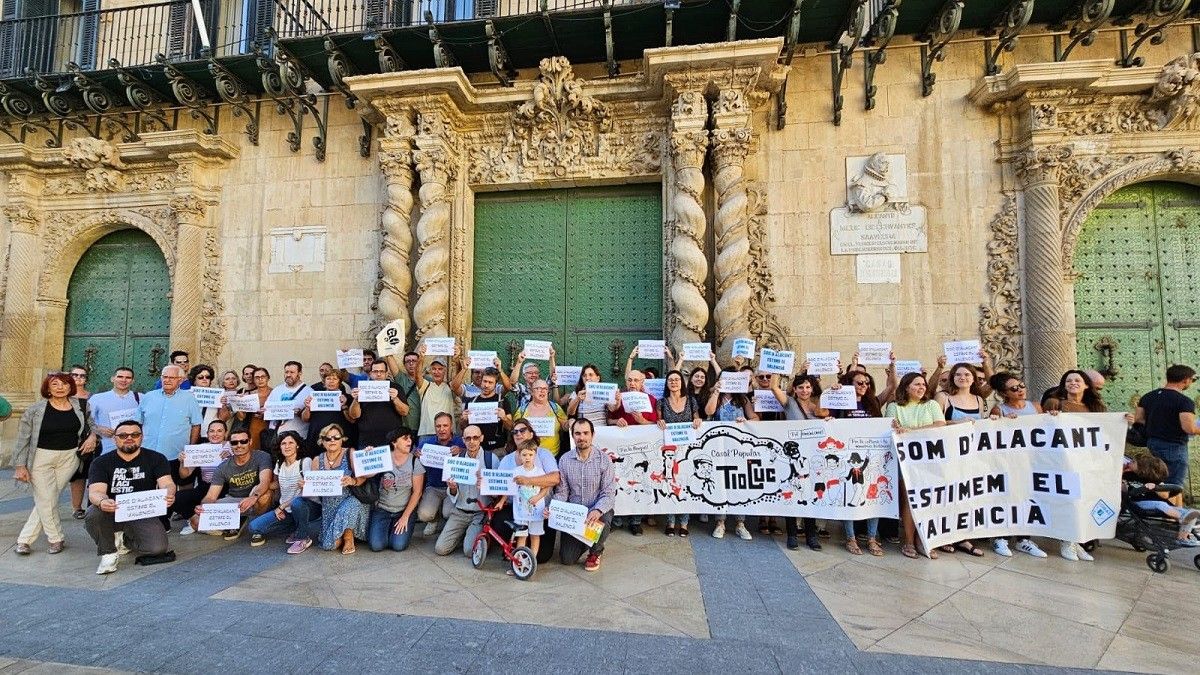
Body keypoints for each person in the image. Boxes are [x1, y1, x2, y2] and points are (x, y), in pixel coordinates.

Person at [13, 372, 95, 555]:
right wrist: (20, 465)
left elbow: (92, 425)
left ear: (70, 386)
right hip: (41, 458)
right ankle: (53, 538)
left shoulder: (81, 405)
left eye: (64, 384)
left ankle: (26, 540)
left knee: (48, 498)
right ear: (47, 388)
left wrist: (93, 437)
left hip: (70, 457)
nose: (60, 387)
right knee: (46, 498)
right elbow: (22, 439)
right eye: (55, 384)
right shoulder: (35, 410)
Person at [84, 420, 175, 575]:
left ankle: (125, 540)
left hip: (141, 511)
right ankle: (108, 553)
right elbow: (95, 491)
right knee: (93, 513)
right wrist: (102, 501)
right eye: (123, 435)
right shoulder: (101, 462)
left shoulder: (156, 458)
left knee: (157, 548)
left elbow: (167, 483)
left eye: (135, 434)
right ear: (115, 438)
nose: (129, 438)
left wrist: (169, 493)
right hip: (111, 511)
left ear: (141, 437)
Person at [985, 372, 1048, 559]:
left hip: (1032, 461)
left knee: (1028, 498)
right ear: (1005, 393)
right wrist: (1003, 423)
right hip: (1009, 462)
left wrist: (1052, 416)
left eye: (1021, 385)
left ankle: (1023, 539)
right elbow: (991, 435)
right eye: (1014, 388)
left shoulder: (1036, 406)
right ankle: (1001, 537)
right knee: (1007, 498)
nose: (1020, 390)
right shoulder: (999, 410)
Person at [884, 372, 945, 559]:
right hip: (906, 461)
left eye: (923, 385)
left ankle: (924, 540)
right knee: (909, 501)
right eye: (916, 384)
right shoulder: (894, 407)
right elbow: (893, 428)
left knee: (928, 500)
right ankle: (909, 541)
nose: (921, 388)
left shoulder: (932, 405)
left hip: (931, 459)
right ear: (906, 387)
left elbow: (940, 424)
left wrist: (912, 431)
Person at [138, 364, 202, 531]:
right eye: (164, 377)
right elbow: (138, 422)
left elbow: (196, 425)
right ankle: (145, 520)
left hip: (173, 454)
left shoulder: (189, 399)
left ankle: (163, 521)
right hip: (148, 452)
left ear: (180, 380)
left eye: (171, 377)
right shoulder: (148, 397)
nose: (167, 380)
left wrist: (190, 448)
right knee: (147, 487)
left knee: (168, 491)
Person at [831, 371, 885, 556]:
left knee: (872, 495)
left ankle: (871, 538)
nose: (863, 386)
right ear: (849, 384)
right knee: (849, 495)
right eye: (859, 382)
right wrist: (834, 392)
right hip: (848, 457)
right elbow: (823, 413)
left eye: (867, 383)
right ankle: (850, 537)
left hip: (870, 455)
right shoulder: (839, 402)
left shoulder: (872, 403)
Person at [770, 373, 826, 549]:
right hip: (792, 459)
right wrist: (777, 368)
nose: (804, 390)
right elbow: (773, 387)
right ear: (795, 389)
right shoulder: (789, 403)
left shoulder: (819, 407)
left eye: (808, 387)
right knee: (793, 495)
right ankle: (792, 534)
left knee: (809, 496)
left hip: (812, 459)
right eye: (800, 387)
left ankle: (811, 535)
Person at [494, 419, 561, 564]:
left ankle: (530, 560)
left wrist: (528, 481)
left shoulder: (544, 454)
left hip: (541, 509)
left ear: (531, 433)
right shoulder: (507, 460)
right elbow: (500, 487)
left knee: (542, 555)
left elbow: (555, 478)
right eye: (515, 432)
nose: (518, 434)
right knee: (499, 521)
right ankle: (514, 554)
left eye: (522, 430)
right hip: (517, 508)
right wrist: (486, 484)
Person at [554, 418, 615, 571]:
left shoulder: (604, 460)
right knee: (567, 560)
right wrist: (554, 507)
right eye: (578, 433)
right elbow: (562, 492)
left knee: (606, 516)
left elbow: (608, 493)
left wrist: (597, 510)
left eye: (586, 433)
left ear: (592, 435)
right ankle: (587, 539)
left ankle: (596, 551)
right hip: (575, 515)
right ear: (573, 436)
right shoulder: (564, 460)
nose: (582, 437)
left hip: (595, 512)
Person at [706, 366, 757, 541]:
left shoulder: (742, 399)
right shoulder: (717, 398)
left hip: (738, 448)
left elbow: (755, 418)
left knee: (738, 484)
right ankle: (720, 522)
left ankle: (740, 523)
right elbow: (709, 412)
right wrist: (716, 392)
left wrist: (745, 420)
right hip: (719, 447)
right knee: (721, 484)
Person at [194, 428, 274, 541]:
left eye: (243, 441)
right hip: (234, 501)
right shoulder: (223, 467)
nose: (239, 445)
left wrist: (253, 497)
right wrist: (204, 507)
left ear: (250, 442)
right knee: (195, 520)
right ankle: (235, 522)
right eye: (234, 442)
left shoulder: (262, 456)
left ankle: (255, 525)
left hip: (255, 497)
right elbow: (211, 496)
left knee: (265, 495)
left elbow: (264, 482)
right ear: (230, 444)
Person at [247, 430, 320, 553]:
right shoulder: (279, 464)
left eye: (291, 443)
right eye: (283, 443)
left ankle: (303, 537)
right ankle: (295, 527)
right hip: (286, 510)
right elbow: (277, 484)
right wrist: (258, 490)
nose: (287, 446)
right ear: (279, 447)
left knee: (297, 503)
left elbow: (309, 491)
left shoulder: (305, 462)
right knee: (254, 527)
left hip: (308, 506)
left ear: (297, 445)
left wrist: (282, 506)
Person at [309, 423, 372, 554]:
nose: (332, 440)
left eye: (336, 437)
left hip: (352, 499)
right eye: (328, 438)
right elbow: (314, 487)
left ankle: (349, 537)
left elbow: (364, 477)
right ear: (322, 441)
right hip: (329, 506)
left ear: (342, 439)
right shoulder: (316, 460)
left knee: (350, 507)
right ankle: (343, 534)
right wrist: (307, 485)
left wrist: (353, 480)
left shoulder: (350, 453)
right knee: (329, 545)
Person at [434, 425, 497, 557]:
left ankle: (475, 537)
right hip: (459, 511)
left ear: (482, 438)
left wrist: (486, 485)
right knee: (440, 549)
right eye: (468, 438)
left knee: (469, 551)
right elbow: (452, 494)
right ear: (463, 440)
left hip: (480, 513)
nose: (472, 441)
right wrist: (452, 488)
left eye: (475, 437)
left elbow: (498, 493)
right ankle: (463, 536)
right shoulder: (456, 460)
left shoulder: (491, 459)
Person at [609, 369, 659, 535]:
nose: (632, 383)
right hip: (621, 448)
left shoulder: (651, 400)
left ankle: (636, 521)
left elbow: (656, 425)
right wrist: (618, 420)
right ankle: (617, 519)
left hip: (641, 449)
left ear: (642, 382)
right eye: (630, 380)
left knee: (639, 482)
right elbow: (609, 419)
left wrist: (642, 421)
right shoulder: (619, 398)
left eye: (636, 380)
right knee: (620, 481)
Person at [1136, 365, 1200, 488]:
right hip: (1174, 447)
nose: (1191, 383)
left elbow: (1139, 419)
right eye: (1192, 380)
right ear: (1186, 380)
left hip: (1153, 443)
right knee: (1173, 485)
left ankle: (1172, 506)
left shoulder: (1148, 396)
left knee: (1161, 481)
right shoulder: (1184, 401)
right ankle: (1172, 507)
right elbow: (1189, 428)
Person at [656, 369, 701, 536]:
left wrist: (697, 420)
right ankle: (670, 521)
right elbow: (659, 419)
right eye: (670, 380)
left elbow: (696, 418)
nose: (674, 382)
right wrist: (659, 421)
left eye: (677, 379)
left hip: (687, 450)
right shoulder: (661, 402)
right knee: (670, 482)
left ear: (682, 382)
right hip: (669, 450)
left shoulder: (691, 400)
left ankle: (684, 522)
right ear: (667, 384)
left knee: (685, 483)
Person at [367, 427, 425, 552]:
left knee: (398, 546)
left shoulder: (415, 462)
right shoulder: (383, 457)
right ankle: (387, 529)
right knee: (376, 546)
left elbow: (417, 492)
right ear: (394, 442)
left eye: (410, 438)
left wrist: (405, 517)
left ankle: (396, 529)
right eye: (405, 438)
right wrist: (369, 456)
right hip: (382, 509)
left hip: (403, 511)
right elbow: (367, 475)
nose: (409, 441)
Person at [175, 419, 233, 535]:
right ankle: (194, 521)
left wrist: (232, 458)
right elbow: (185, 474)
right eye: (212, 431)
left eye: (219, 431)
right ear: (207, 434)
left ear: (225, 433)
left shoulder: (232, 446)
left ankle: (206, 523)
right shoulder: (200, 448)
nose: (215, 434)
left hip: (225, 488)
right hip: (205, 486)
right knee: (178, 497)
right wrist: (182, 462)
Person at [1125, 455, 1200, 545]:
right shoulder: (1127, 476)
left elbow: (1165, 496)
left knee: (1189, 512)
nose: (1129, 463)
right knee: (1161, 505)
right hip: (1138, 502)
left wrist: (1156, 487)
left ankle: (1182, 538)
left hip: (1159, 503)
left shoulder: (1153, 479)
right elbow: (1123, 490)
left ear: (1142, 466)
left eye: (1133, 462)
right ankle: (1183, 517)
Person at [416, 412, 464, 536]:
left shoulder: (460, 442)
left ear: (451, 426)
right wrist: (416, 454)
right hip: (433, 486)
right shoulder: (426, 443)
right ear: (434, 427)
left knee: (448, 513)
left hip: (453, 487)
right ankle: (434, 520)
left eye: (445, 426)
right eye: (438, 426)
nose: (442, 429)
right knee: (424, 515)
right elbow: (413, 455)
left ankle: (447, 522)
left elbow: (472, 457)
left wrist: (462, 451)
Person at [508, 440, 552, 563]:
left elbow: (546, 487)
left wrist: (538, 497)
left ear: (535, 455)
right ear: (519, 455)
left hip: (536, 510)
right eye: (524, 455)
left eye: (530, 455)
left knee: (535, 535)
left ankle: (532, 561)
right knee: (521, 536)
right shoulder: (516, 471)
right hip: (520, 510)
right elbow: (509, 487)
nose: (527, 458)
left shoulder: (539, 472)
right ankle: (519, 562)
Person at [346, 359, 406, 448]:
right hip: (367, 440)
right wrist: (356, 399)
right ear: (370, 373)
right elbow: (354, 415)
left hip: (392, 440)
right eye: (375, 371)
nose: (378, 374)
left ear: (386, 373)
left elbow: (404, 412)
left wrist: (395, 399)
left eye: (381, 371)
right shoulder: (362, 388)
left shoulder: (396, 387)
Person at [456, 365, 512, 453]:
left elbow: (511, 427)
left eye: (490, 382)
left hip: (497, 449)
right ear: (481, 381)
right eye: (485, 381)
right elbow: (463, 427)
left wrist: (504, 418)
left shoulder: (502, 401)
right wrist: (463, 419)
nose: (486, 385)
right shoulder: (471, 402)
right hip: (475, 450)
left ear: (496, 384)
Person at [303, 369, 354, 456]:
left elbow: (352, 420)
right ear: (324, 381)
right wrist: (308, 408)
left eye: (334, 379)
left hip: (338, 441)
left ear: (339, 382)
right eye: (328, 379)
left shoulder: (348, 398)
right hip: (317, 440)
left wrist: (344, 406)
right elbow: (305, 418)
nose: (331, 381)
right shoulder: (315, 397)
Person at [512, 379, 568, 456]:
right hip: (528, 456)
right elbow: (515, 429)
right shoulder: (522, 410)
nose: (542, 391)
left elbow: (564, 427)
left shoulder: (555, 408)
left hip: (552, 456)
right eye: (538, 388)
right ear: (531, 392)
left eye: (545, 388)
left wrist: (569, 423)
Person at [66, 365, 93, 520]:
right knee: (75, 476)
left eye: (82, 376)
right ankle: (76, 507)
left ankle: (91, 506)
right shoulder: (62, 396)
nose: (78, 378)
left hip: (89, 439)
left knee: (87, 473)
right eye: (75, 375)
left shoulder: (92, 397)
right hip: (69, 439)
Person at [416, 344, 458, 437]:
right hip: (427, 433)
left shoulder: (449, 386)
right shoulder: (425, 386)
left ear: (445, 371)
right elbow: (417, 375)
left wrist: (457, 359)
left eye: (440, 369)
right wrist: (421, 357)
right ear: (430, 371)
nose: (436, 371)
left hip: (448, 435)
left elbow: (458, 379)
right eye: (434, 369)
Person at [266, 361, 312, 438]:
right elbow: (268, 410)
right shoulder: (277, 390)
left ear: (300, 373)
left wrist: (300, 412)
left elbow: (310, 417)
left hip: (298, 436)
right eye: (286, 372)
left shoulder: (309, 392)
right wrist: (263, 412)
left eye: (292, 372)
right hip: (276, 436)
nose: (288, 375)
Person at [384, 350, 424, 433]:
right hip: (406, 427)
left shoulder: (428, 381)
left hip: (424, 427)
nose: (411, 363)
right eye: (408, 361)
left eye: (414, 361)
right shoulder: (401, 379)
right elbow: (390, 360)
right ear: (404, 365)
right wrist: (386, 346)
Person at [188, 364, 222, 432]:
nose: (204, 379)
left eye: (207, 377)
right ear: (194, 380)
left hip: (209, 435)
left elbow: (222, 418)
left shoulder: (218, 395)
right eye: (200, 377)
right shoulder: (187, 395)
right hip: (190, 433)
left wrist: (223, 404)